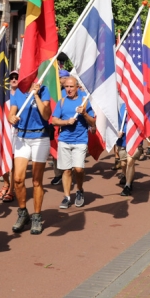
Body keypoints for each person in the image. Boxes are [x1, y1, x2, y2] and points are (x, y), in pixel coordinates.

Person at [8, 79, 52, 234]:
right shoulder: (18, 92)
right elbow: (11, 113)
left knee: (36, 180)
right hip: (22, 138)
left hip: (40, 137)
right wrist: (11, 117)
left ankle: (37, 216)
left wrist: (36, 95)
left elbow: (46, 115)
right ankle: (23, 213)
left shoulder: (44, 90)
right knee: (18, 179)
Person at [50, 76, 95, 208]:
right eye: (66, 87)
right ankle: (67, 196)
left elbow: (93, 122)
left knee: (79, 169)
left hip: (80, 140)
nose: (69, 89)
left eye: (71, 87)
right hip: (64, 140)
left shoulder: (84, 101)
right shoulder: (62, 102)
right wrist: (66, 122)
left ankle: (79, 190)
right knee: (66, 171)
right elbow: (54, 120)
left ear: (77, 87)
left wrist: (84, 113)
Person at [0, 70, 18, 203]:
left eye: (16, 77)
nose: (14, 80)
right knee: (3, 157)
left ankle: (12, 190)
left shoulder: (22, 94)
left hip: (16, 132)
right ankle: (6, 183)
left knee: (13, 161)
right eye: (11, 77)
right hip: (4, 129)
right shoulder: (5, 94)